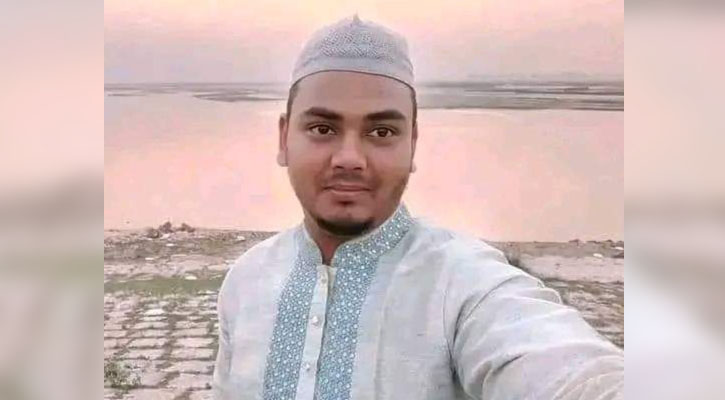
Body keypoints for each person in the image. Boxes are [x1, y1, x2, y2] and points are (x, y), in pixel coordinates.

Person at [213, 15, 623, 400]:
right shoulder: (246, 281)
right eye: (322, 128)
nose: (349, 158)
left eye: (381, 132)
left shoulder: (462, 282)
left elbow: (568, 368)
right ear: (284, 138)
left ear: (412, 145)